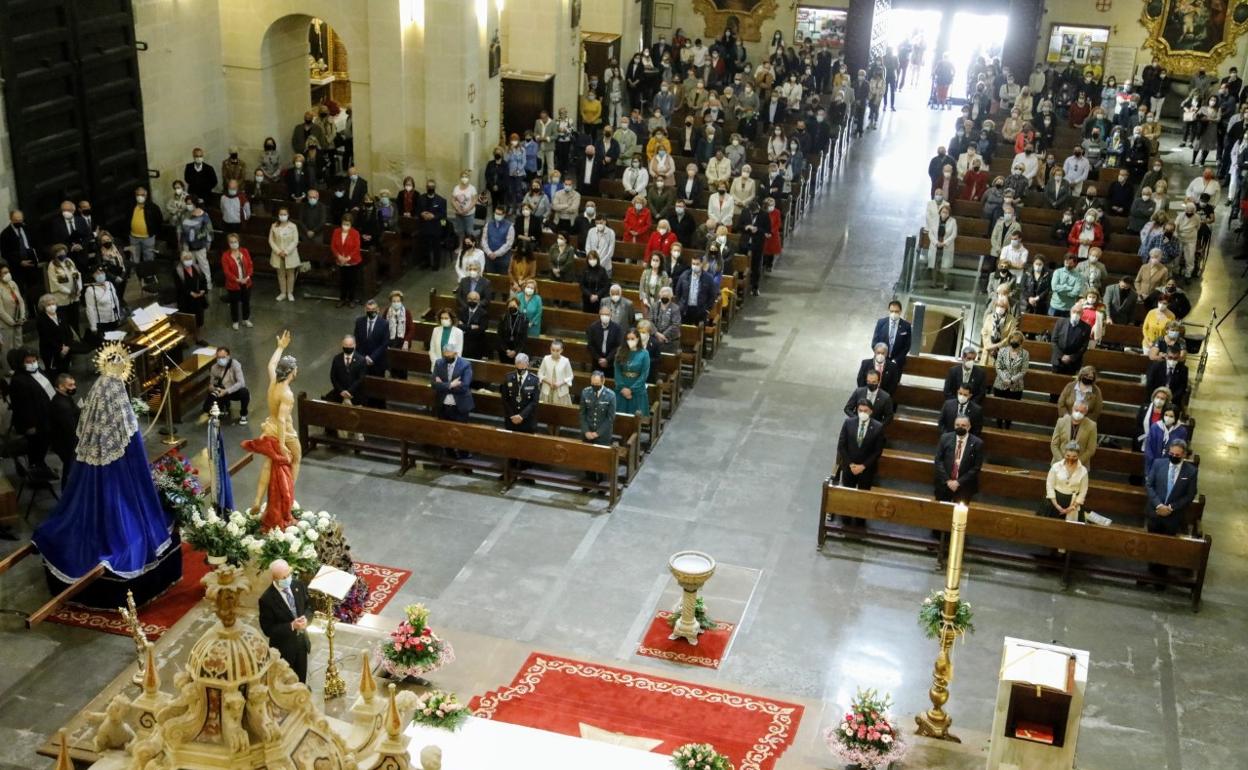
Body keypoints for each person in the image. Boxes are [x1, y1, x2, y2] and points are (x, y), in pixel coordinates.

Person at [1143, 438, 1199, 583]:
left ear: (1184, 455)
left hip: (1172, 517)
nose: (1174, 456)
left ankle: (1161, 577)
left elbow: (1190, 495)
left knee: (1166, 548)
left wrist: (1171, 508)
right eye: (1171, 453)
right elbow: (1149, 485)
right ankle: (1149, 573)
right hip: (1155, 512)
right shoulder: (1158, 463)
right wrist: (1158, 505)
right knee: (1152, 543)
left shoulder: (1191, 472)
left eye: (1177, 455)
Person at [258, 559, 313, 683]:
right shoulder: (267, 599)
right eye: (283, 577)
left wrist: (306, 619)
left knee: (301, 679)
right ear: (274, 578)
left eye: (288, 574)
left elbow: (308, 607)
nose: (288, 579)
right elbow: (268, 629)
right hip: (285, 649)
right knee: (286, 683)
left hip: (302, 643)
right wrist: (291, 626)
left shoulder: (297, 585)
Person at [933, 415, 984, 503]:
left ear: (969, 427)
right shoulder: (945, 438)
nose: (960, 427)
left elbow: (976, 467)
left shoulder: (977, 443)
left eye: (963, 425)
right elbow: (938, 461)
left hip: (964, 486)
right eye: (957, 425)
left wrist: (958, 482)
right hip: (945, 483)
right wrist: (948, 481)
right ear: (954, 425)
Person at [836, 399, 885, 490]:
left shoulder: (878, 427)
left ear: (871, 411)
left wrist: (863, 466)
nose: (863, 413)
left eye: (865, 411)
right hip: (849, 467)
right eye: (860, 410)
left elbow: (877, 451)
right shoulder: (848, 423)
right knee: (847, 493)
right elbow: (841, 445)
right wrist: (851, 465)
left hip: (866, 469)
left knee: (863, 494)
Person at [1041, 442, 1089, 521]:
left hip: (1073, 504)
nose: (1071, 458)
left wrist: (1071, 507)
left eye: (1074, 456)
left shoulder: (1083, 471)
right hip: (1054, 501)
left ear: (1078, 456)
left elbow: (1083, 491)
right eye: (1068, 456)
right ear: (1064, 454)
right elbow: (1049, 485)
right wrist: (1056, 505)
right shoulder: (1056, 466)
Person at [202, 346, 250, 425]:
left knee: (244, 392)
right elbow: (211, 383)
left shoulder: (235, 365)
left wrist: (227, 391)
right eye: (219, 357)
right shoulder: (214, 368)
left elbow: (241, 383)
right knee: (207, 408)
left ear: (228, 356)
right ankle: (224, 407)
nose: (221, 360)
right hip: (221, 392)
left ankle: (243, 414)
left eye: (223, 357)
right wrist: (211, 388)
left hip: (233, 390)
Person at [499, 353, 540, 433]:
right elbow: (505, 399)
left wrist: (521, 416)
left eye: (523, 369)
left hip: (527, 420)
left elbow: (534, 402)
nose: (520, 371)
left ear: (527, 365)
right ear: (515, 364)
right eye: (519, 369)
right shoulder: (508, 378)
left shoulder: (534, 380)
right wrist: (512, 416)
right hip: (511, 419)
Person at [579, 371, 617, 456]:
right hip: (587, 433)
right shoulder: (585, 392)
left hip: (603, 434)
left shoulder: (610, 395)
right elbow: (582, 414)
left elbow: (610, 418)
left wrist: (598, 433)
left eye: (597, 384)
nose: (594, 386)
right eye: (592, 383)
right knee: (586, 457)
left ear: (603, 381)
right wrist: (586, 431)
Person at [220, 234, 254, 329]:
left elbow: (250, 265)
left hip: (246, 281)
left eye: (235, 242)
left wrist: (247, 277)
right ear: (228, 243)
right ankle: (235, 321)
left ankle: (245, 319)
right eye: (231, 242)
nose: (234, 244)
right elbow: (227, 271)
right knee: (234, 303)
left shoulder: (244, 251)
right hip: (234, 284)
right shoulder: (225, 256)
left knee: (246, 301)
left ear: (239, 242)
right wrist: (237, 279)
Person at [614, 329, 650, 416]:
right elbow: (617, 371)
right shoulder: (621, 351)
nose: (630, 341)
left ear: (638, 339)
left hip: (637, 389)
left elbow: (644, 374)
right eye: (628, 339)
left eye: (632, 339)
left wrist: (631, 390)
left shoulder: (644, 353)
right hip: (622, 388)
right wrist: (622, 388)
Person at [172, 253, 208, 340]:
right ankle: (186, 338)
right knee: (187, 320)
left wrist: (203, 290)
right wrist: (191, 293)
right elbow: (179, 286)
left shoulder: (196, 267)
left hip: (198, 298)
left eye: (190, 258)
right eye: (186, 259)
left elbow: (203, 279)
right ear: (182, 260)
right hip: (186, 300)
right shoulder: (178, 271)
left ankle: (198, 337)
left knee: (199, 318)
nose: (188, 260)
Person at [1051, 400, 1097, 466]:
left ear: (1086, 412)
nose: (1078, 413)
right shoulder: (1061, 421)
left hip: (1080, 464)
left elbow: (1091, 449)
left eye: (1081, 412)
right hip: (1059, 463)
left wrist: (1076, 462)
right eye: (1076, 410)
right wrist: (1062, 461)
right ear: (1072, 409)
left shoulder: (1092, 426)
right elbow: (1054, 444)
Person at [82, 266, 123, 340]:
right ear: (92, 275)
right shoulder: (90, 290)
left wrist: (118, 316)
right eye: (97, 273)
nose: (100, 274)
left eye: (101, 272)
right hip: (102, 322)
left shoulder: (109, 284)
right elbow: (90, 309)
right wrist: (93, 326)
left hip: (113, 318)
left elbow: (116, 300)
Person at [330, 214, 362, 307]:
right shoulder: (336, 231)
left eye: (347, 224)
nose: (345, 226)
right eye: (344, 224)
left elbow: (356, 247)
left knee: (352, 281)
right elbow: (333, 246)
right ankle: (342, 299)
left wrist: (348, 258)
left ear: (351, 224)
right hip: (340, 260)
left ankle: (352, 299)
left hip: (353, 261)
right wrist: (339, 256)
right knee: (342, 280)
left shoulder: (355, 233)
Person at [354, 300, 390, 378]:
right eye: (368, 310)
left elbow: (384, 344)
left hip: (378, 361)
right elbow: (357, 341)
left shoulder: (384, 324)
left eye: (373, 310)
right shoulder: (359, 322)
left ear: (378, 310)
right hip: (362, 360)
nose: (371, 312)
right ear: (365, 310)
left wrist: (372, 358)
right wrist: (364, 357)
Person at [673, 259, 715, 324]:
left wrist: (707, 309)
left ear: (701, 264)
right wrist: (680, 305)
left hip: (700, 311)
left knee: (699, 332)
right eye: (693, 264)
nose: (695, 266)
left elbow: (712, 295)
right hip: (685, 310)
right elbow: (678, 291)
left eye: (697, 264)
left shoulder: (708, 278)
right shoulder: (685, 275)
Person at [980, 296, 1017, 363]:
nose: (999, 308)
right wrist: (989, 347)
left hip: (1002, 353)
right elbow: (984, 333)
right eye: (998, 306)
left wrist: (997, 346)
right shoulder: (989, 317)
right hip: (988, 352)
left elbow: (1011, 337)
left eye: (1002, 307)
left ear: (1006, 308)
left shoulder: (1012, 320)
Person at [538, 339, 575, 406]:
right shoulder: (546, 359)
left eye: (557, 350)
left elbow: (570, 376)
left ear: (561, 350)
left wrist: (560, 383)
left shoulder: (565, 361)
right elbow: (540, 373)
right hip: (547, 390)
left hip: (561, 392)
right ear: (550, 349)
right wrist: (548, 382)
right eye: (553, 350)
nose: (555, 352)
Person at [587, 306, 623, 372]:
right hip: (597, 362)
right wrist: (599, 359)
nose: (605, 316)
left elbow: (617, 346)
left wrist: (607, 359)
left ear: (611, 315)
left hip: (612, 363)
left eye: (607, 314)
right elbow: (590, 345)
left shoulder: (617, 328)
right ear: (599, 315)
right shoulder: (592, 327)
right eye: (603, 314)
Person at [649, 285, 682, 353]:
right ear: (660, 296)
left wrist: (663, 336)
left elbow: (675, 325)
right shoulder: (654, 306)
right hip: (655, 338)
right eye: (663, 296)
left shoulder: (675, 308)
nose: (664, 298)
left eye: (667, 297)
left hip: (670, 340)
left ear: (671, 297)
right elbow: (649, 321)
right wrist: (657, 334)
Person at [496, 297, 529, 364]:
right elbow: (500, 336)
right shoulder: (503, 317)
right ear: (507, 307)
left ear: (518, 306)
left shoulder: (524, 319)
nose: (512, 307)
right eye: (510, 306)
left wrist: (515, 351)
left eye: (514, 306)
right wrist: (506, 350)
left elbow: (524, 338)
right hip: (504, 350)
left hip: (518, 350)